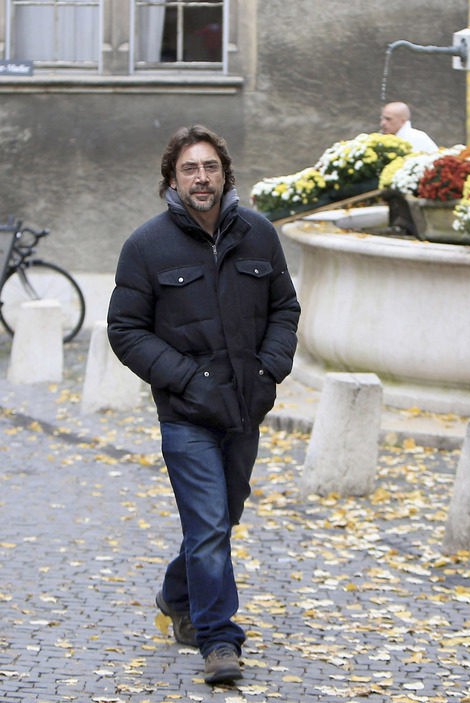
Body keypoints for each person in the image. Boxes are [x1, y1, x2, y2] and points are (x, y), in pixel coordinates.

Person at [107, 125, 300, 685]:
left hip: (245, 409)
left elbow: (285, 307)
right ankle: (219, 639)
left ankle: (175, 593)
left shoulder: (259, 234)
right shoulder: (146, 246)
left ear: (225, 174)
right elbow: (126, 330)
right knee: (210, 525)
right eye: (189, 168)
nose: (201, 177)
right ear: (173, 178)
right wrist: (187, 380)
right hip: (187, 415)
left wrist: (268, 372)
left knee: (221, 519)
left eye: (210, 167)